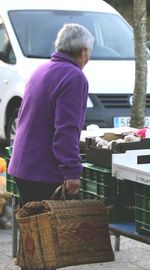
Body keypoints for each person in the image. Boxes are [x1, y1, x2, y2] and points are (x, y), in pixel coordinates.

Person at [8, 23, 94, 205]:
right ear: (84, 51)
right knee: (48, 232)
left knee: (33, 230)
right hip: (42, 172)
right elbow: (66, 129)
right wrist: (72, 171)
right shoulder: (74, 77)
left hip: (23, 167)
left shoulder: (41, 70)